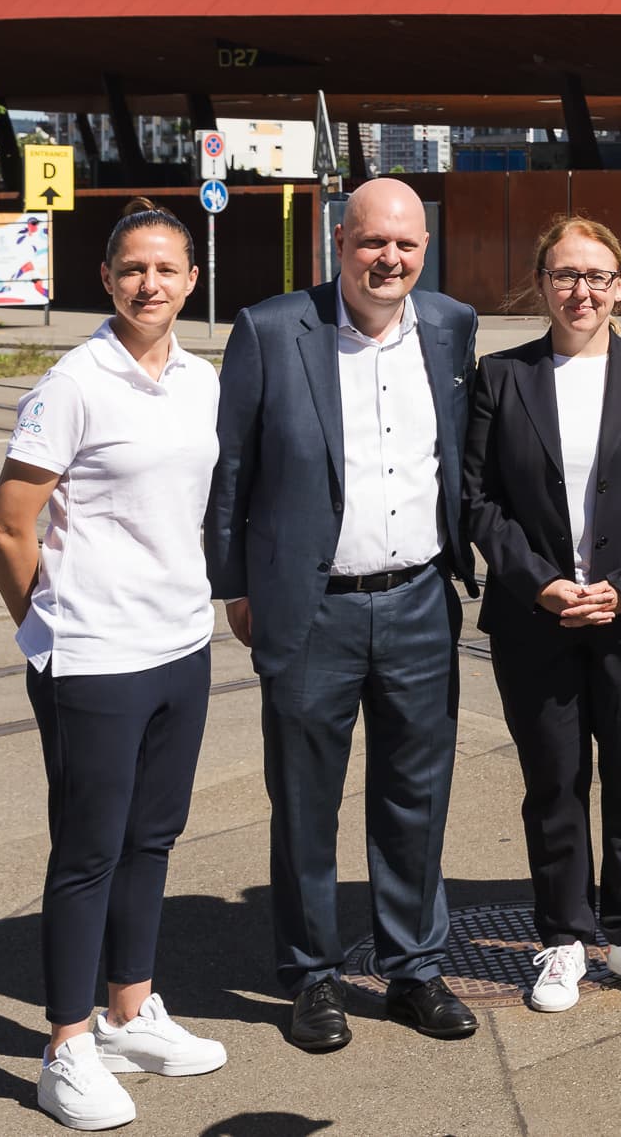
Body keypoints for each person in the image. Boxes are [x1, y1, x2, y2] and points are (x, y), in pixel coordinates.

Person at [205, 178, 480, 1052]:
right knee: (304, 802)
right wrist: (235, 586)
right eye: (371, 243)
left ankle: (413, 969)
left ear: (424, 250)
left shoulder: (450, 326)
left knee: (415, 796)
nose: (387, 260)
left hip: (418, 599)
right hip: (311, 606)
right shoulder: (269, 328)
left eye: (404, 244)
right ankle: (312, 975)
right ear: (339, 243)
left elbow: (463, 459)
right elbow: (231, 472)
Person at [0, 200, 229, 1131]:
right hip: (93, 656)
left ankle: (130, 1010)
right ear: (106, 278)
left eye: (167, 268)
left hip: (180, 641)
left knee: (153, 838)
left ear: (192, 280)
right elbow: (10, 525)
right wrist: (49, 627)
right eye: (133, 268)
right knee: (88, 850)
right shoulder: (72, 382)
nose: (150, 284)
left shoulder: (201, 381)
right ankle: (66, 1044)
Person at [463, 215, 621, 1012]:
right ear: (543, 283)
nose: (581, 290)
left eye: (597, 275)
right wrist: (539, 582)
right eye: (565, 275)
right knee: (554, 783)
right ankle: (562, 938)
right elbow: (478, 499)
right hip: (539, 621)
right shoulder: (502, 376)